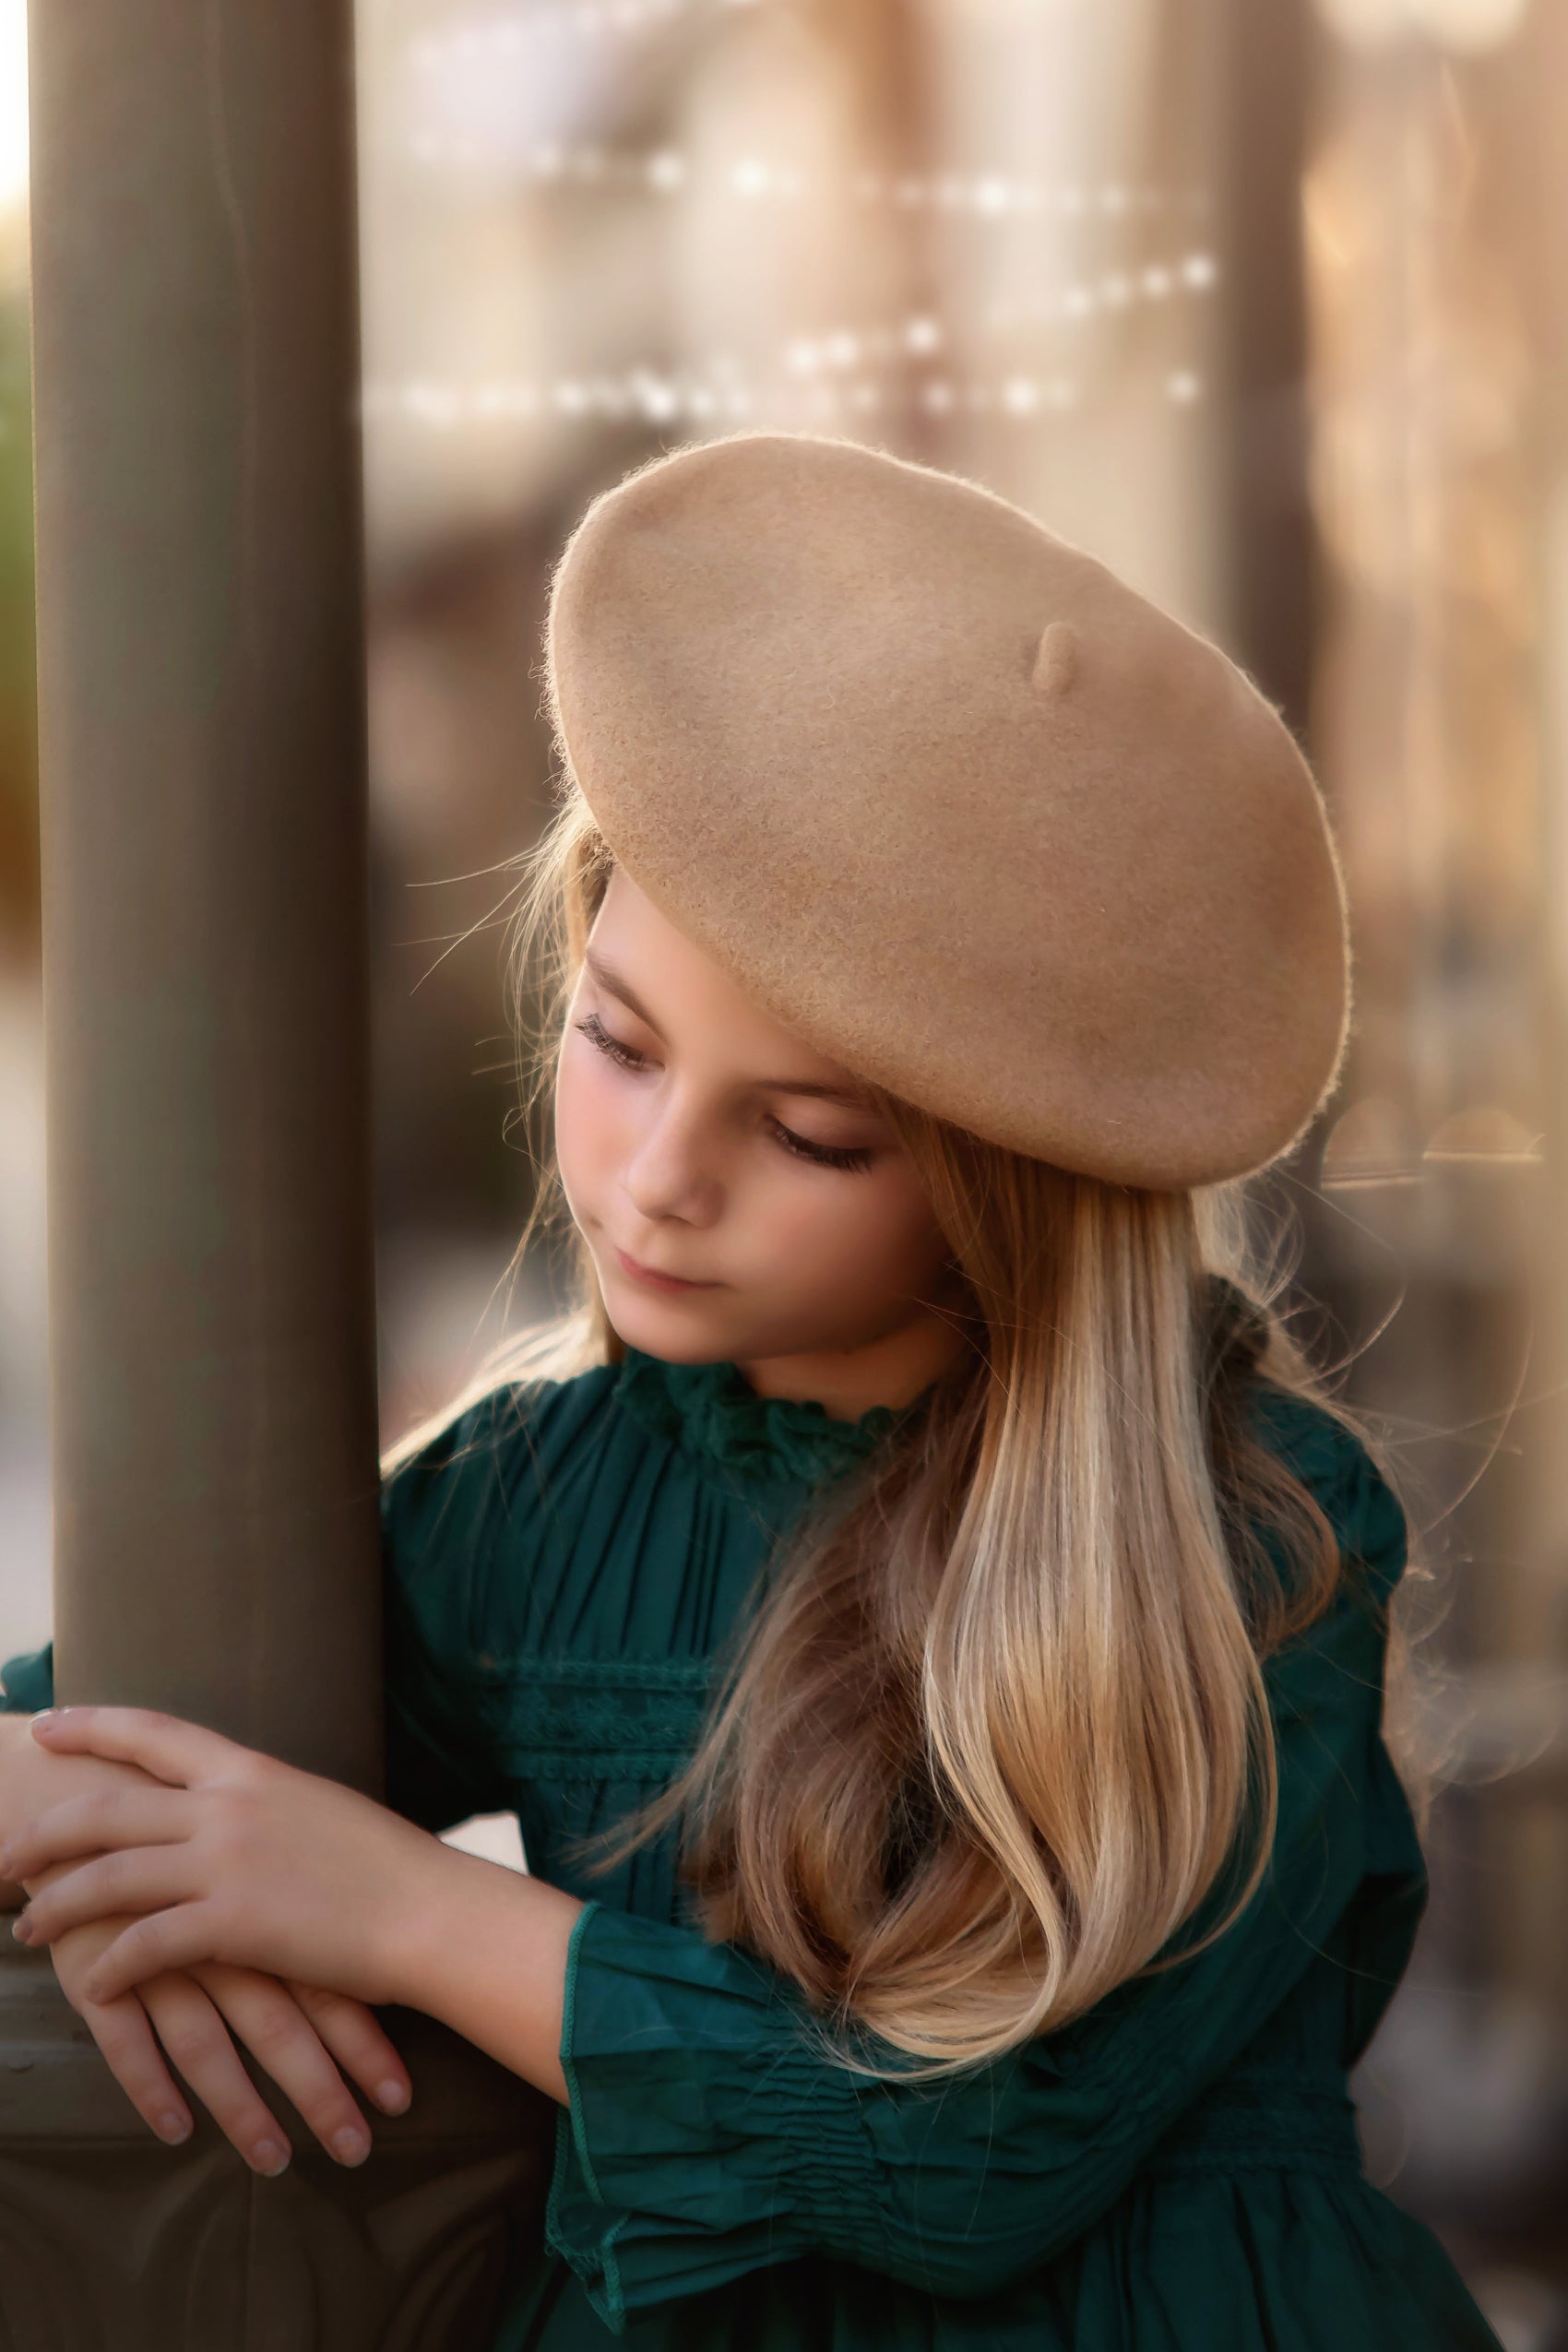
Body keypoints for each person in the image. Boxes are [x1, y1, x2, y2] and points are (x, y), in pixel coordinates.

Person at [0, 434, 1503, 2348]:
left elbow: (966, 2162)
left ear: (1005, 1196)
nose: (654, 1178)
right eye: (616, 1044)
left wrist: (393, 1910)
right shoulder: (533, 1498)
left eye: (805, 1134)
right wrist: (113, 1848)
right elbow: (83, 1744)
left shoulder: (1248, 1532)